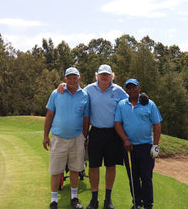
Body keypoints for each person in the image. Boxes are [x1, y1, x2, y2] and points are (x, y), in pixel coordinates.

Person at [58, 64, 128, 209]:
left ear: (111, 76)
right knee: (94, 166)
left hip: (113, 134)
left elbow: (130, 101)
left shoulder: (118, 90)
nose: (104, 77)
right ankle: (94, 199)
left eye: (107, 74)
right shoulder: (89, 89)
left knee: (110, 165)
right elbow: (74, 91)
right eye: (102, 74)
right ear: (97, 76)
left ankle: (107, 199)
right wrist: (63, 85)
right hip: (95, 132)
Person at [43, 67, 90, 209]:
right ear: (65, 79)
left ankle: (74, 198)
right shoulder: (56, 93)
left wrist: (84, 136)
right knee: (56, 170)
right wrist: (45, 135)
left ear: (79, 78)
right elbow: (50, 114)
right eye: (69, 77)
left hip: (77, 138)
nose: (72, 80)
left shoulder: (85, 95)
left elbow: (86, 118)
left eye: (74, 77)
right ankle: (54, 200)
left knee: (75, 169)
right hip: (58, 138)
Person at [114, 78, 162, 209]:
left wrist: (155, 146)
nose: (132, 90)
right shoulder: (122, 105)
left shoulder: (149, 104)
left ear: (139, 88)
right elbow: (117, 124)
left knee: (146, 177)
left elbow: (157, 125)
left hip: (146, 147)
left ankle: (148, 205)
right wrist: (125, 140)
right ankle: (137, 203)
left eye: (134, 87)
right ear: (127, 90)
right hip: (129, 148)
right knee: (133, 178)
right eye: (129, 88)